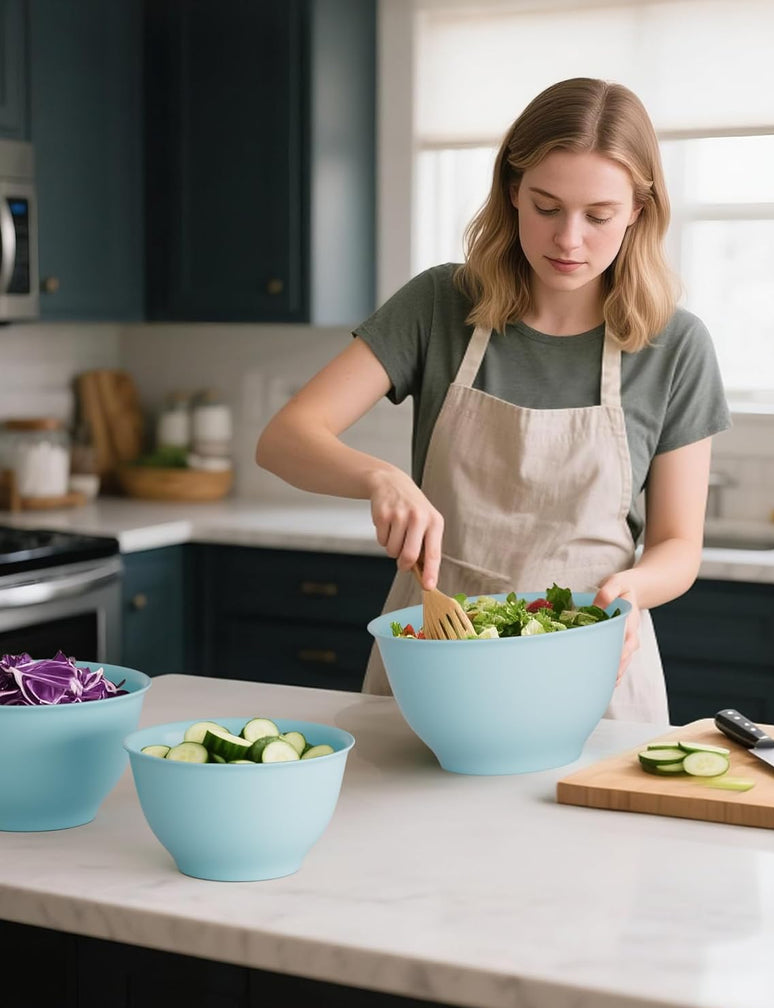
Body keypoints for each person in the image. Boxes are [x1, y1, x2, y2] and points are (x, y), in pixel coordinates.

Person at [255, 77, 730, 722]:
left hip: (588, 656)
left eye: (598, 216)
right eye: (545, 205)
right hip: (436, 650)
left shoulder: (675, 344)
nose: (568, 239)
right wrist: (380, 477)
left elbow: (679, 545)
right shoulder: (440, 305)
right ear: (512, 192)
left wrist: (629, 593)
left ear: (638, 211)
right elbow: (284, 439)